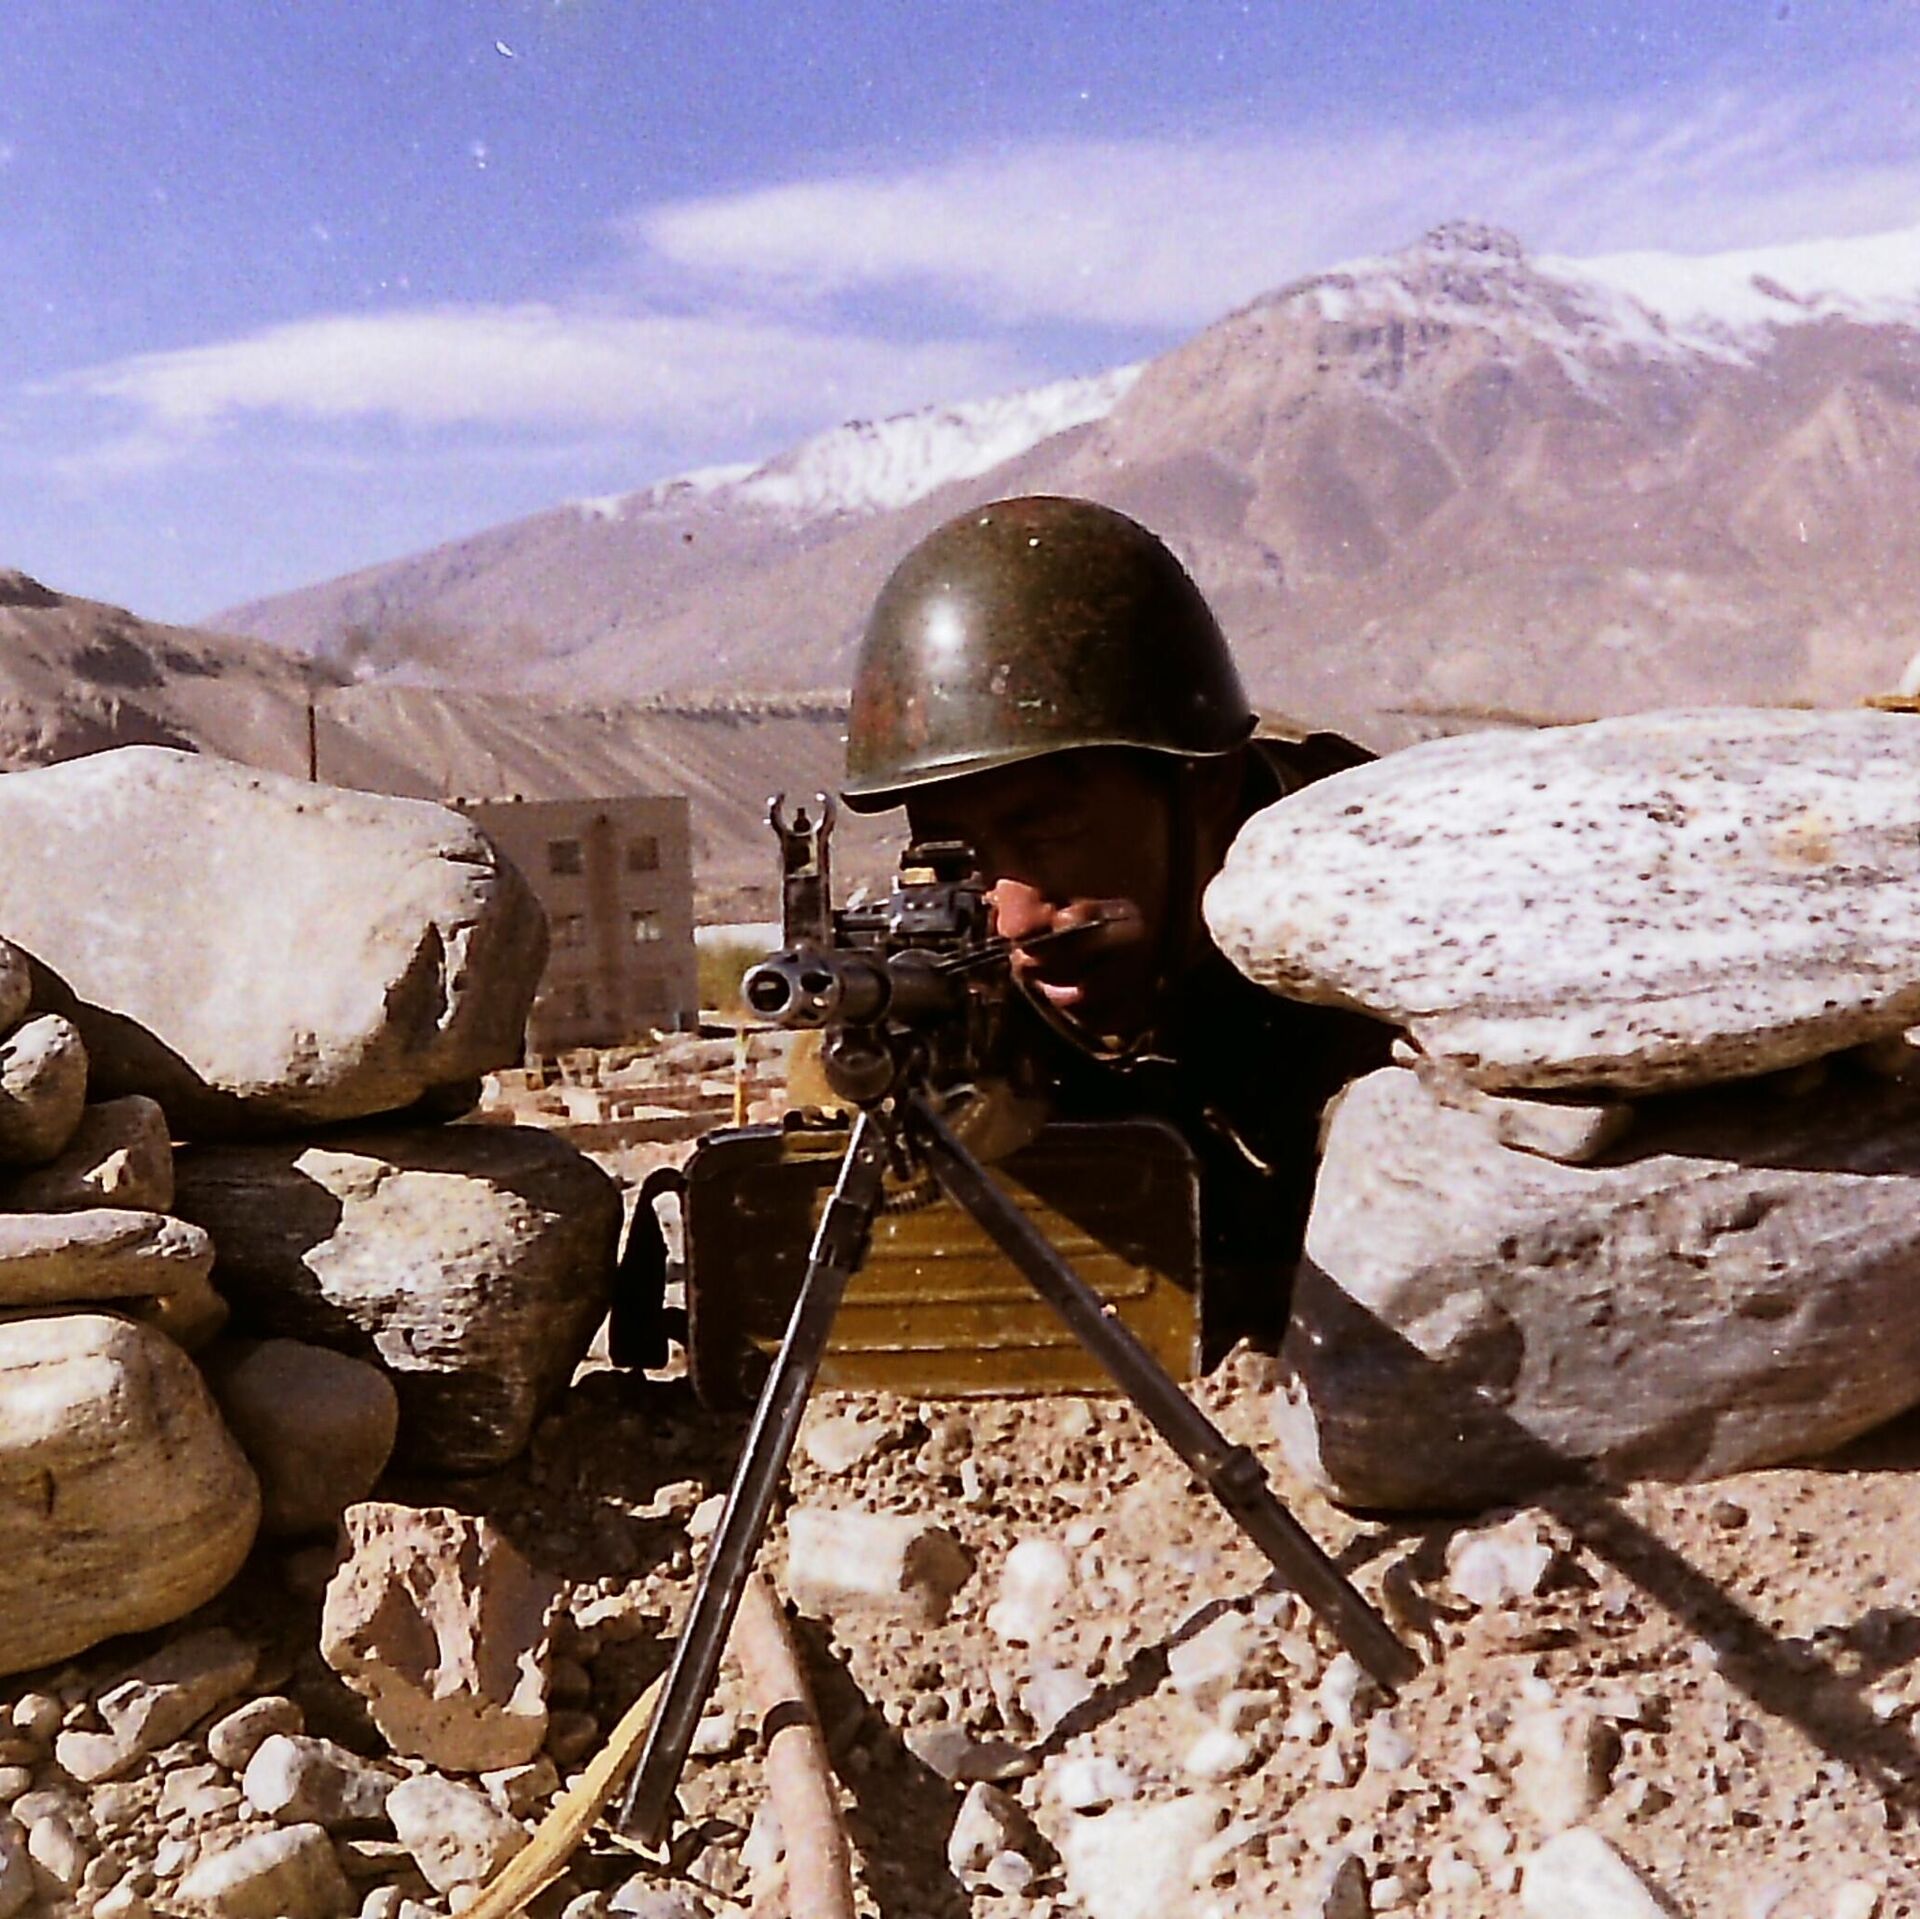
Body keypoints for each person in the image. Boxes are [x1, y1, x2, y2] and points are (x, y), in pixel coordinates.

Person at [838, 493, 1394, 1354]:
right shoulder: (962, 979)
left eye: (1050, 831)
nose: (1015, 916)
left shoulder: (1386, 913)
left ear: (1206, 786)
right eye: (957, 851)